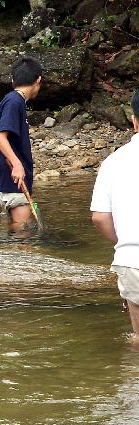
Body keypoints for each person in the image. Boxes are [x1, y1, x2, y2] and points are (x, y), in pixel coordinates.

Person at [90, 89, 139, 342]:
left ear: (134, 121)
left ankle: (131, 379)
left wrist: (125, 242)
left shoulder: (113, 161)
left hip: (132, 259)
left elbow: (99, 217)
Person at [0, 56, 43, 230]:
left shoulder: (10, 100)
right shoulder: (15, 102)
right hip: (13, 175)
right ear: (38, 80)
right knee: (23, 231)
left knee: (15, 227)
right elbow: (1, 137)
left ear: (14, 80)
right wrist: (16, 164)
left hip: (8, 174)